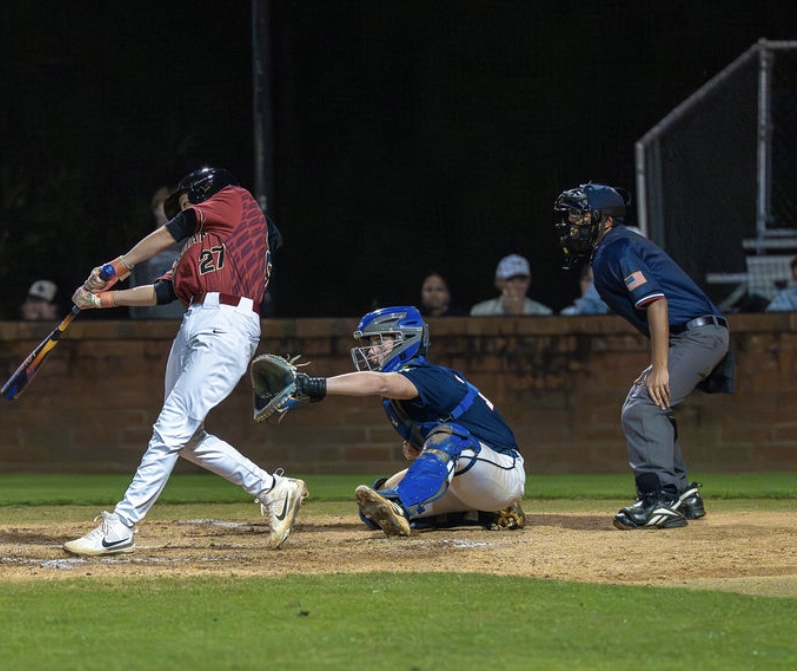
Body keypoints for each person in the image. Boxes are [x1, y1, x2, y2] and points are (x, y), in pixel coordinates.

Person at [63, 167, 306, 556]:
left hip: (227, 322)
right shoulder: (204, 244)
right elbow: (165, 291)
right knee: (186, 438)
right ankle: (275, 490)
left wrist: (116, 268)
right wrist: (102, 300)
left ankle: (122, 526)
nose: (185, 208)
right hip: (195, 321)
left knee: (171, 426)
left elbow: (177, 226)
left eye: (187, 199)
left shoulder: (234, 199)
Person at [555, 183, 732, 529]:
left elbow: (656, 301)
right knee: (648, 400)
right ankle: (680, 492)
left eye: (580, 215)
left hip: (696, 333)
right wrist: (657, 365)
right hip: (697, 333)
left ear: (604, 221)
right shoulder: (610, 248)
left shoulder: (616, 246)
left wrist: (661, 367)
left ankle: (658, 499)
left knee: (642, 406)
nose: (572, 224)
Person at [259, 306, 525, 536]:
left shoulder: (424, 374)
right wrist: (422, 446)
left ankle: (403, 504)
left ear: (406, 340)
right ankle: (487, 514)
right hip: (467, 478)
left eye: (379, 341)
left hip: (502, 469)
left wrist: (314, 385)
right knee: (373, 509)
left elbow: (381, 383)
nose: (372, 350)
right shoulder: (401, 389)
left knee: (447, 437)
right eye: (370, 342)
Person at [128, 186, 186, 319]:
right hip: (152, 318)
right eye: (162, 206)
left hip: (184, 317)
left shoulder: (193, 243)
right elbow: (137, 281)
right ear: (155, 210)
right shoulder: (144, 245)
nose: (166, 212)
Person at [469, 254, 553, 316]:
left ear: (529, 281)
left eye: (522, 280)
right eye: (511, 280)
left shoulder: (543, 313)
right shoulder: (480, 312)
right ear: (498, 283)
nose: (517, 285)